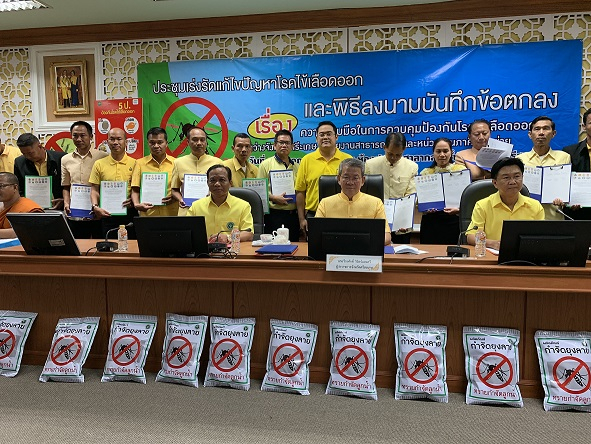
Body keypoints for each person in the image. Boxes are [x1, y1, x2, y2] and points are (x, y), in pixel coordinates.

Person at [466, 157, 544, 250]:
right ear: (495, 183)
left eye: (517, 176)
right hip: (493, 255)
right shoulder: (483, 205)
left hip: (525, 255)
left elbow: (541, 237)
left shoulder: (535, 206)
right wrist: (493, 243)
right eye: (506, 178)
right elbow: (471, 237)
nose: (512, 182)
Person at [316, 158, 391, 245]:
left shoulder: (376, 203)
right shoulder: (325, 203)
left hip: (365, 250)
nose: (350, 182)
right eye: (346, 177)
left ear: (363, 180)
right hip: (334, 250)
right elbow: (316, 234)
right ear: (339, 179)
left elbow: (386, 236)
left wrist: (360, 244)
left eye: (355, 178)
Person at [295, 121, 352, 233]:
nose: (325, 137)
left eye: (329, 134)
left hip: (342, 214)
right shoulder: (307, 160)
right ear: (316, 138)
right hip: (314, 215)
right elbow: (300, 191)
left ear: (336, 137)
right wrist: (301, 219)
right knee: (315, 245)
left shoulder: (347, 160)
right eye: (321, 135)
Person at [365, 132, 417, 243]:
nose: (394, 158)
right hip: (377, 219)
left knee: (402, 252)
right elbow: (366, 194)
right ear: (384, 147)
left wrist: (404, 220)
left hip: (401, 222)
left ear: (404, 149)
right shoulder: (370, 165)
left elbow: (411, 195)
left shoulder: (412, 167)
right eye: (390, 154)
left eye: (398, 155)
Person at [516, 115, 571, 220]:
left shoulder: (564, 157)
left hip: (553, 217)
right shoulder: (520, 159)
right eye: (537, 129)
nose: (541, 133)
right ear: (530, 134)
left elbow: (567, 189)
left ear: (553, 133)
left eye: (546, 128)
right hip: (526, 216)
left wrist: (564, 199)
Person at [61, 121, 108, 238]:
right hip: (75, 213)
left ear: (91, 136)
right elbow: (66, 185)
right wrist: (66, 203)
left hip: (97, 212)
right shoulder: (65, 159)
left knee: (99, 243)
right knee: (79, 244)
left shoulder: (103, 157)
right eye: (75, 135)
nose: (78, 139)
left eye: (82, 135)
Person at [88, 128, 137, 238]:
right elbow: (94, 189)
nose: (115, 142)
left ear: (126, 142)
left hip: (129, 213)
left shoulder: (135, 163)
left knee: (131, 246)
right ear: (107, 142)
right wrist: (95, 206)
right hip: (106, 214)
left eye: (119, 139)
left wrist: (134, 201)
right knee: (108, 245)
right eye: (112, 139)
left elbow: (138, 189)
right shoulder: (99, 164)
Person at [187, 164, 253, 243]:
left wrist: (228, 237)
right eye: (212, 180)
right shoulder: (196, 206)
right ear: (207, 183)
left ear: (230, 183)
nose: (217, 184)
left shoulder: (243, 206)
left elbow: (248, 234)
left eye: (222, 180)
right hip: (204, 249)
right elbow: (187, 231)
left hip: (231, 249)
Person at [419, 137, 467, 245]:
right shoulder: (425, 173)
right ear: (433, 153)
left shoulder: (461, 171)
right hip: (431, 222)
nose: (442, 155)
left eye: (445, 151)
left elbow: (466, 199)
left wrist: (459, 210)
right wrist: (426, 208)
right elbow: (420, 200)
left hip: (454, 220)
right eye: (438, 151)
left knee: (453, 252)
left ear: (451, 152)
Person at [256, 129, 299, 242]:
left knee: (293, 246)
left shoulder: (297, 167)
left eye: (287, 143)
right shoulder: (265, 164)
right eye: (281, 142)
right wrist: (274, 198)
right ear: (275, 145)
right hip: (274, 216)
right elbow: (259, 191)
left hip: (293, 216)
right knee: (273, 247)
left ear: (292, 146)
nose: (284, 145)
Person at [171, 125, 220, 215]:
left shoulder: (217, 163)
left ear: (206, 142)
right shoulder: (178, 163)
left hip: (210, 211)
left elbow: (225, 188)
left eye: (202, 140)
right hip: (186, 211)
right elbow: (174, 189)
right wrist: (180, 199)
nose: (199, 143)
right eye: (195, 140)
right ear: (188, 142)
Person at [131, 127, 178, 217]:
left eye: (160, 142)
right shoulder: (139, 163)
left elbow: (181, 189)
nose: (156, 146)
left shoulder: (176, 163)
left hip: (171, 214)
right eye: (152, 143)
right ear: (148, 143)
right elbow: (135, 189)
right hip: (148, 214)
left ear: (166, 143)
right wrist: (136, 204)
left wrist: (175, 198)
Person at [15, 133, 65, 210]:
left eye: (30, 153)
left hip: (60, 207)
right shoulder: (19, 162)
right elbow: (19, 189)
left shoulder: (61, 159)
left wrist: (64, 200)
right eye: (24, 154)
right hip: (32, 208)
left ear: (40, 146)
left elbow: (69, 184)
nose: (27, 157)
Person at [563, 108, 591, 220]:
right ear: (584, 126)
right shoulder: (570, 152)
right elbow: (563, 183)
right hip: (579, 215)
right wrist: (570, 201)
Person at [0, 172, 43, 238]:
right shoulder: (1, 207)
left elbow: (28, 231)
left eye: (1, 186)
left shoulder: (28, 208)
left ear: (15, 187)